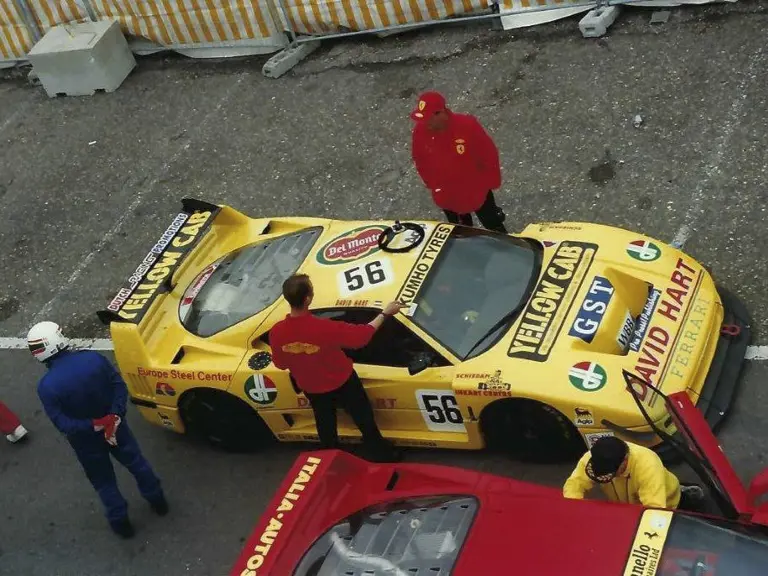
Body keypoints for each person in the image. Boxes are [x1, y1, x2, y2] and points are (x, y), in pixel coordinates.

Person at [28, 321, 168, 538]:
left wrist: (97, 424)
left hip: (86, 442)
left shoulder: (47, 387)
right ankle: (158, 500)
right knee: (137, 463)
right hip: (117, 427)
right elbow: (118, 386)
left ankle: (121, 522)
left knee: (104, 483)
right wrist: (114, 417)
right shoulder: (92, 359)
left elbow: (64, 424)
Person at [270, 274, 407, 463]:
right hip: (343, 382)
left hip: (312, 388)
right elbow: (362, 337)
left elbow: (280, 363)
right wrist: (384, 314)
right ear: (307, 299)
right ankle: (381, 454)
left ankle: (331, 462)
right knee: (363, 419)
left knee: (325, 426)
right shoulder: (325, 327)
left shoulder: (277, 332)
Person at [410, 91, 507, 233]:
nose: (424, 122)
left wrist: (491, 181)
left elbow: (488, 154)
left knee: (492, 223)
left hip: (476, 190)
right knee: (462, 231)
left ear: (440, 113)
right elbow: (419, 158)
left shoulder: (467, 126)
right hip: (449, 195)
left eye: (427, 118)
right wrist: (432, 183)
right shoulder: (420, 131)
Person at [563, 436, 705, 510]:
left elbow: (655, 510)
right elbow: (574, 484)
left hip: (667, 501)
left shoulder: (648, 465)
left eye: (611, 473)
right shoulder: (593, 458)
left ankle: (683, 494)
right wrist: (577, 508)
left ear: (625, 461)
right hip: (624, 506)